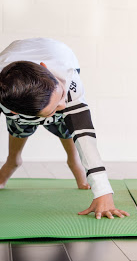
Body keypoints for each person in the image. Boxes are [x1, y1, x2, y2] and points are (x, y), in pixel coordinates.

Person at [0, 38, 128, 219]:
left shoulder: (67, 78)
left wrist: (103, 192)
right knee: (21, 124)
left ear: (45, 67)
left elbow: (84, 136)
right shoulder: (9, 100)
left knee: (67, 120)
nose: (63, 105)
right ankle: (13, 160)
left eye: (60, 95)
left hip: (59, 55)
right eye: (53, 108)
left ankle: (73, 161)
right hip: (19, 99)